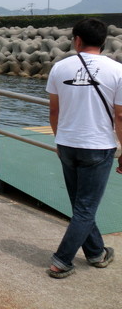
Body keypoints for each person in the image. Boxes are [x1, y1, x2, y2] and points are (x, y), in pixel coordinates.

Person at [45, 18, 122, 278]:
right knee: (85, 208)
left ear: (77, 40)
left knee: (80, 206)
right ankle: (61, 261)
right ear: (104, 41)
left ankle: (96, 253)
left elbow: (53, 111)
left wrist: (59, 139)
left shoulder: (59, 68)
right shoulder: (117, 70)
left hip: (67, 144)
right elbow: (120, 116)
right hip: (98, 146)